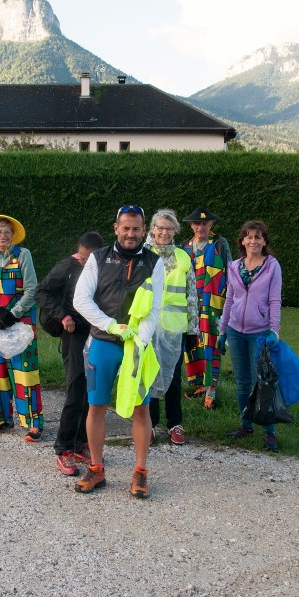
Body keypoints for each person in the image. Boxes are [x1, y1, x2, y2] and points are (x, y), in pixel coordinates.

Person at [73, 204, 164, 498]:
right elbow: (81, 300)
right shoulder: (98, 258)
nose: (131, 234)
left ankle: (140, 472)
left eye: (136, 228)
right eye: (125, 228)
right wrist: (112, 326)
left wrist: (139, 341)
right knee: (96, 406)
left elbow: (155, 309)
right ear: (116, 228)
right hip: (103, 343)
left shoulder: (154, 262)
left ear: (144, 230)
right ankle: (96, 468)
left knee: (141, 408)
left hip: (136, 347)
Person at [36, 231, 104, 475]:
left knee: (91, 387)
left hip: (94, 331)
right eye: (83, 258)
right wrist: (62, 316)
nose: (85, 263)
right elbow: (41, 292)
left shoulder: (104, 265)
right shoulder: (67, 265)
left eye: (90, 260)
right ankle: (63, 449)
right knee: (76, 385)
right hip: (72, 331)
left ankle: (80, 443)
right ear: (78, 251)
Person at [0, 215, 44, 441]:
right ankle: (2, 419)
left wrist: (12, 314)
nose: (2, 236)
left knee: (25, 371)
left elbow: (32, 289)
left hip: (21, 322)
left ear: (13, 235)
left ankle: (33, 422)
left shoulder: (23, 255)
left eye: (6, 232)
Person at [218, 220, 283, 452]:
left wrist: (274, 330)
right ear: (242, 240)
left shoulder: (272, 266)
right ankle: (246, 425)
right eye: (249, 236)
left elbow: (275, 300)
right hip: (236, 331)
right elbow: (229, 299)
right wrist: (223, 331)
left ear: (265, 241)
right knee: (242, 382)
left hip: (260, 332)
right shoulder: (234, 266)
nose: (253, 241)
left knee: (263, 382)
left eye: (258, 237)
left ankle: (269, 432)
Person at [145, 209, 199, 446]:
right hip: (147, 325)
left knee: (174, 377)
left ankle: (175, 424)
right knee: (149, 375)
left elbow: (192, 296)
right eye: (160, 227)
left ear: (175, 231)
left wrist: (192, 329)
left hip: (174, 327)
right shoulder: (142, 253)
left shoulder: (183, 257)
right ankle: (150, 424)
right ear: (152, 229)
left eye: (169, 228)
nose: (164, 232)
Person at [181, 206, 233, 409]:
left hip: (213, 303)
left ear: (211, 224)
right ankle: (199, 385)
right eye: (197, 223)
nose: (201, 226)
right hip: (190, 304)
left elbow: (231, 271)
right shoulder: (184, 246)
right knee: (193, 345)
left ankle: (211, 390)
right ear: (191, 225)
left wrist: (231, 299)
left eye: (205, 223)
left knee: (211, 344)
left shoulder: (220, 243)